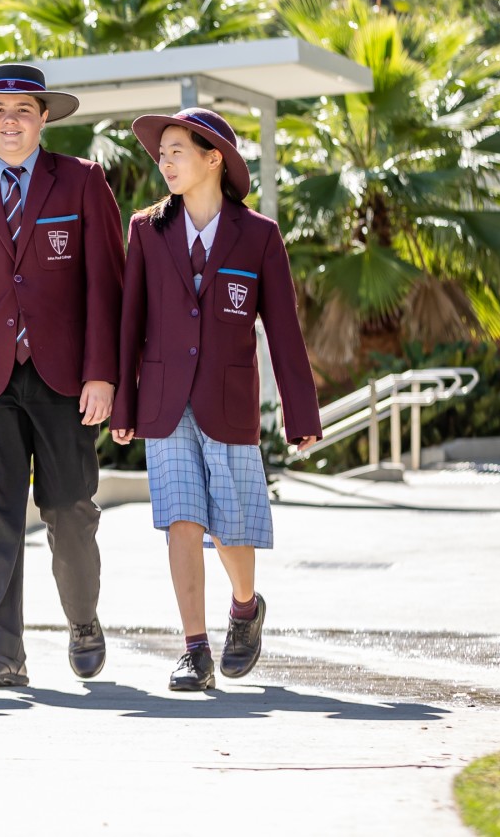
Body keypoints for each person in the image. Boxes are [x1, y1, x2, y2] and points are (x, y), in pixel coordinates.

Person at [112, 108, 322, 692]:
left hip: (227, 402)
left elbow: (284, 333)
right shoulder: (146, 230)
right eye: (162, 153)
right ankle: (194, 649)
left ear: (214, 160)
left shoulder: (259, 236)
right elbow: (129, 323)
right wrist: (125, 405)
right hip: (164, 400)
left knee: (230, 527)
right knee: (181, 518)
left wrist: (302, 416)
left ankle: (245, 606)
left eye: (177, 151)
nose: (165, 161)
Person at [0, 62, 124, 689]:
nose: (8, 122)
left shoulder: (82, 182)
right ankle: (0, 653)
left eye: (22, 111)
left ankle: (83, 620)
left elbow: (107, 285)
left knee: (69, 510)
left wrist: (102, 373)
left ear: (44, 118)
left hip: (66, 379)